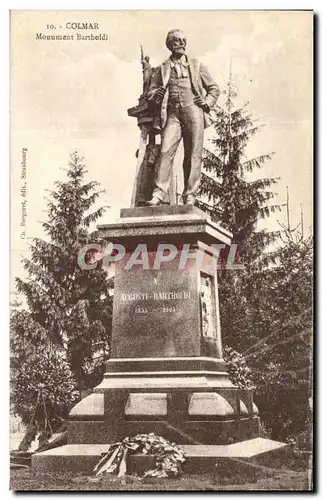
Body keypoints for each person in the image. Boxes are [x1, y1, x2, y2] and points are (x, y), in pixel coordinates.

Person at [146, 29, 220, 206]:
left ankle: (190, 195)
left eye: (184, 40)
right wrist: (157, 94)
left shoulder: (196, 65)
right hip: (172, 114)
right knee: (165, 151)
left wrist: (206, 102)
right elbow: (151, 93)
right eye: (178, 40)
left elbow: (214, 89)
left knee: (193, 154)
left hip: (193, 112)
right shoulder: (162, 68)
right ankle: (159, 193)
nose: (182, 44)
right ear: (170, 44)